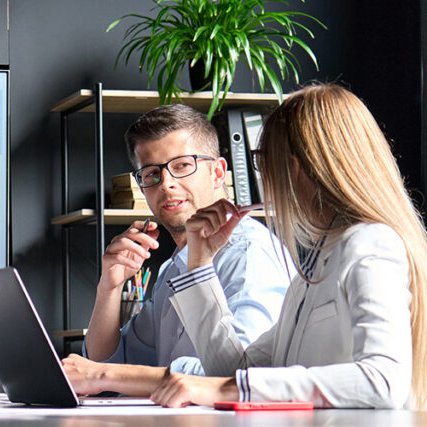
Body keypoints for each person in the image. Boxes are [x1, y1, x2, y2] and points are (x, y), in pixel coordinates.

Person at [69, 83, 427, 409]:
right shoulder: (315, 266)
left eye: (262, 162)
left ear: (298, 168)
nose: (262, 178)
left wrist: (225, 389)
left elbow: (384, 381)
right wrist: (199, 266)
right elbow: (235, 368)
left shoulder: (370, 243)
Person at [67, 104, 291, 391]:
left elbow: (242, 376)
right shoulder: (173, 268)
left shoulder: (249, 255)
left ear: (218, 172)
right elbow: (113, 362)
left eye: (183, 166)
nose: (166, 184)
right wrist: (108, 288)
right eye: (151, 174)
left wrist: (102, 375)